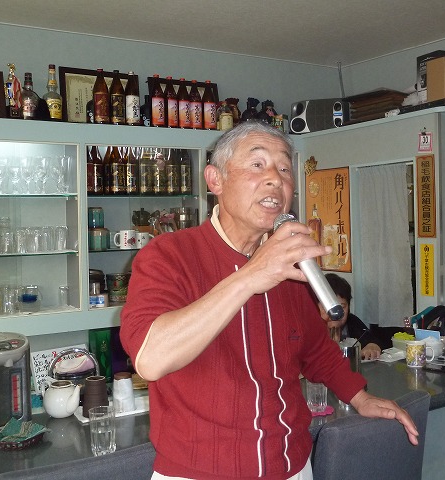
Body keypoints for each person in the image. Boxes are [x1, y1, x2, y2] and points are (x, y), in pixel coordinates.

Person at [120, 121, 419, 480]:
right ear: (215, 180)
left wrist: (360, 397)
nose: (275, 179)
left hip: (292, 466)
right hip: (200, 471)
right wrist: (251, 276)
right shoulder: (168, 255)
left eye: (284, 169)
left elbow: (316, 350)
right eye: (257, 164)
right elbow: (151, 359)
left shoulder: (290, 268)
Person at [318, 273, 382, 360]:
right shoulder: (308, 327)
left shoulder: (352, 321)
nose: (335, 313)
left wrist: (372, 346)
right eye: (327, 307)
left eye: (341, 307)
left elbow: (371, 339)